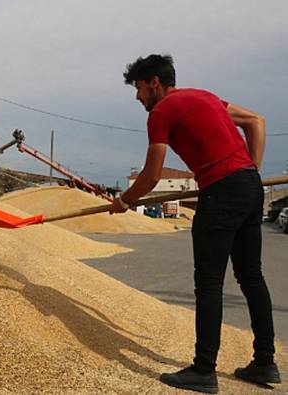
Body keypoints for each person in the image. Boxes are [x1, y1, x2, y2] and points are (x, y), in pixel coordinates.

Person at [111, 54, 281, 393]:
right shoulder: (205, 97)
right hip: (248, 187)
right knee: (252, 276)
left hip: (221, 191)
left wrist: (124, 200)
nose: (138, 97)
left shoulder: (161, 112)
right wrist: (250, 171)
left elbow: (152, 174)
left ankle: (204, 370)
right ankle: (264, 363)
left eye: (139, 88)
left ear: (154, 83)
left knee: (209, 283)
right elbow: (256, 121)